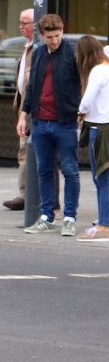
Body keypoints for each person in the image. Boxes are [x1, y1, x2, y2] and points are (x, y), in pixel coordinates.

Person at [21, 13, 81, 236]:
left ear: (62, 31)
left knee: (70, 170)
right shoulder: (38, 54)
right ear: (42, 35)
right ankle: (47, 216)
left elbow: (84, 83)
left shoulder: (72, 52)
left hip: (65, 121)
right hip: (41, 121)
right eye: (50, 37)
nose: (54, 40)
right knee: (44, 170)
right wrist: (23, 115)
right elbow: (32, 87)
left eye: (58, 35)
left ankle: (69, 217)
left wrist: (81, 111)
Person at [75, 35, 109, 241]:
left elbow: (87, 101)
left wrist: (80, 112)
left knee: (102, 177)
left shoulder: (98, 70)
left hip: (100, 128)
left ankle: (104, 225)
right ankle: (104, 219)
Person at [4, 9, 36, 210]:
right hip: (24, 108)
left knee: (29, 151)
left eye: (25, 23)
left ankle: (28, 195)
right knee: (23, 151)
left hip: (33, 109)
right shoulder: (28, 47)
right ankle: (25, 193)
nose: (21, 27)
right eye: (20, 22)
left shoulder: (38, 48)